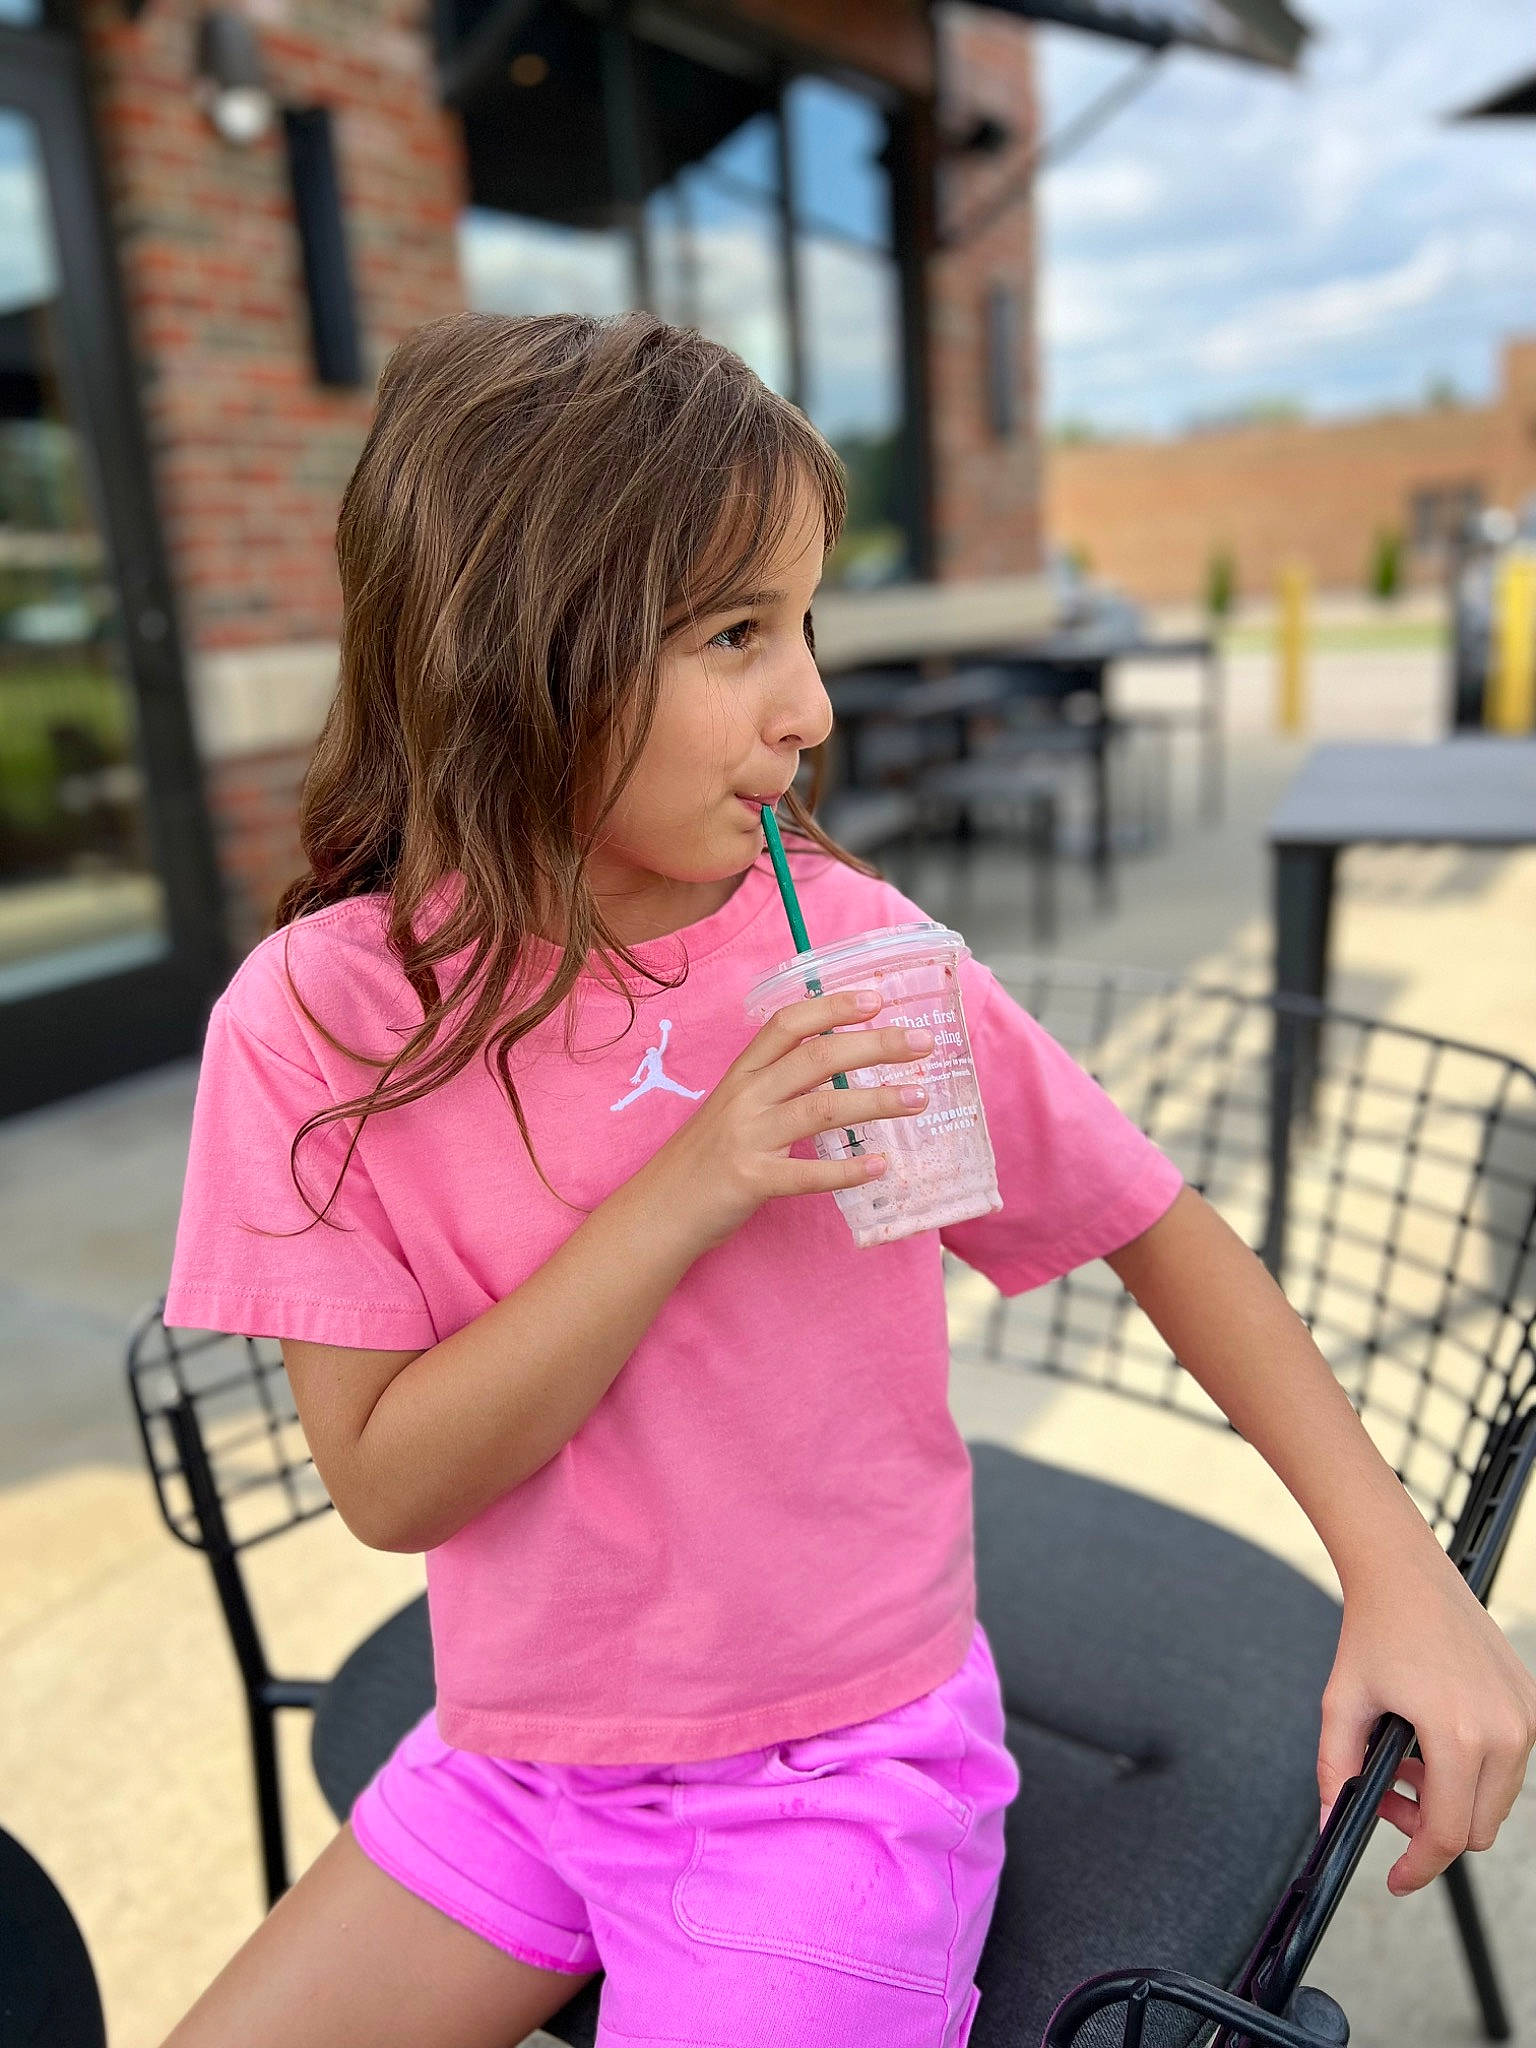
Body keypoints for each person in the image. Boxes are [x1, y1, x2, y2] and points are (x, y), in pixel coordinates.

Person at [160, 312, 1536, 2048]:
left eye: (805, 624)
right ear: (518, 652)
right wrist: (693, 1179)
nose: (809, 705)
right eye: (738, 633)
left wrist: (1400, 1570)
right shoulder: (314, 1022)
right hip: (512, 1753)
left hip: (834, 1777)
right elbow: (388, 1484)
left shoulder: (860, 954)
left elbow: (1152, 1223)